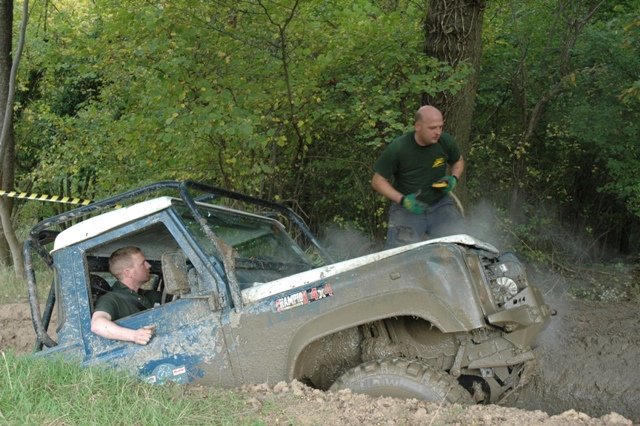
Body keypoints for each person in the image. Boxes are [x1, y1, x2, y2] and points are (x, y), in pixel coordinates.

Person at [372, 105, 465, 249]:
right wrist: (403, 200)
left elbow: (458, 160)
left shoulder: (445, 142)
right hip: (406, 209)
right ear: (418, 126)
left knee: (461, 246)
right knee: (400, 255)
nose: (438, 132)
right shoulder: (399, 148)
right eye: (432, 128)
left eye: (440, 127)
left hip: (440, 204)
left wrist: (454, 178)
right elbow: (378, 181)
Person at [91, 246, 161, 345]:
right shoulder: (111, 299)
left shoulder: (148, 295)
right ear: (128, 273)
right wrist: (134, 336)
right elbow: (97, 325)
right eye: (142, 264)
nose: (149, 265)